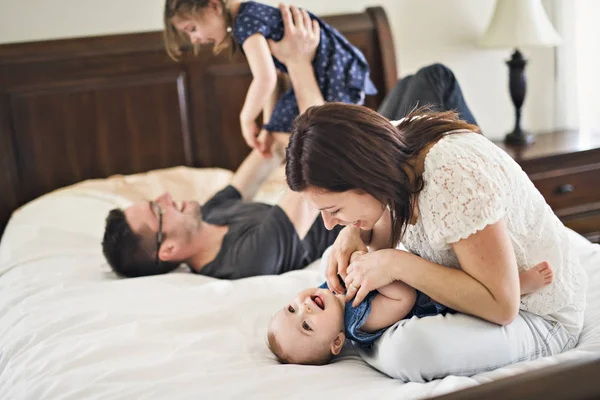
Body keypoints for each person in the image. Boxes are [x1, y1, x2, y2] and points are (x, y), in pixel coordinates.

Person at [273, 4, 588, 382]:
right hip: (483, 293)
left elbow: (503, 307)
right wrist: (353, 231)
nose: (328, 222)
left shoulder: (451, 176)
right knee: (379, 318)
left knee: (409, 351)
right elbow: (389, 233)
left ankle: (362, 340)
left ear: (364, 180)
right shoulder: (389, 155)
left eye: (333, 208)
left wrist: (397, 264)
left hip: (535, 311)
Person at [163, 0, 376, 157]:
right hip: (334, 69)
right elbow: (271, 75)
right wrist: (267, 125)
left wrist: (246, 119)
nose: (195, 39)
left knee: (321, 141)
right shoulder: (250, 17)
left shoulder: (245, 23)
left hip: (336, 72)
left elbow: (264, 79)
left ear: (214, 6)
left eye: (192, 29)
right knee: (283, 125)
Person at [267, 250, 552, 365]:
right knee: (472, 294)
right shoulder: (358, 320)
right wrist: (378, 268)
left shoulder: (331, 291)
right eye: (306, 325)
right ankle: (518, 286)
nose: (304, 308)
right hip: (433, 298)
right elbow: (403, 299)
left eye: (291, 309)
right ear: (338, 341)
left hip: (419, 269)